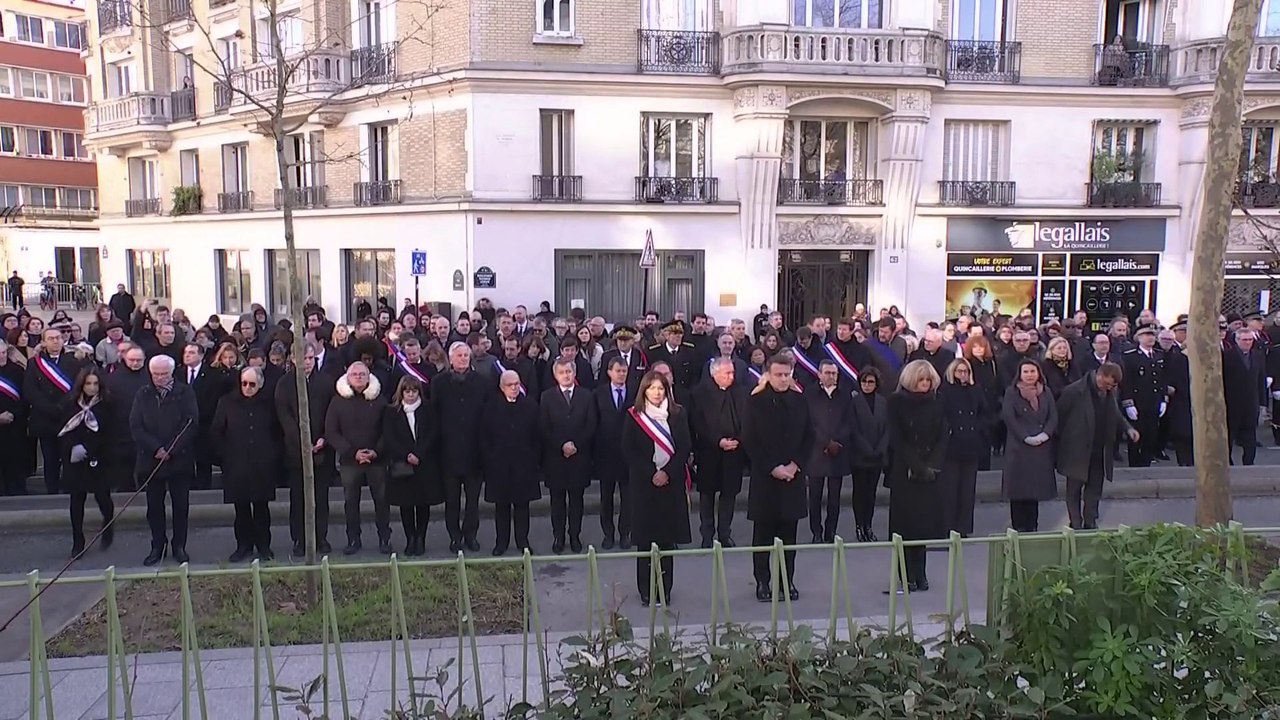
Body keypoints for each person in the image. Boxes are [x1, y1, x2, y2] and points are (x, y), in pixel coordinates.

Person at [743, 354, 813, 602]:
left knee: (789, 536)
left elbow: (809, 437)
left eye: (787, 374)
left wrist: (795, 465)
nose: (783, 379)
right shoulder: (755, 402)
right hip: (766, 478)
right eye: (779, 375)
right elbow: (750, 440)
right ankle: (763, 581)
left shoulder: (800, 401)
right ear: (769, 375)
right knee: (762, 535)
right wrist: (772, 467)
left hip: (792, 478)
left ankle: (787, 581)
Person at [621, 370, 692, 607]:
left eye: (660, 388)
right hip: (644, 486)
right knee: (645, 540)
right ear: (644, 390)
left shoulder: (678, 414)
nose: (656, 392)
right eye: (652, 388)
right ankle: (645, 589)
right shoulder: (634, 416)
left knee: (666, 540)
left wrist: (667, 472)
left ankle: (665, 588)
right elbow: (629, 449)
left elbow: (684, 447)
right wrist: (651, 473)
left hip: (670, 484)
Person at [131, 354, 199, 566]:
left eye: (164, 374)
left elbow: (191, 422)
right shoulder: (143, 394)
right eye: (156, 374)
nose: (159, 378)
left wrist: (171, 449)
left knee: (180, 507)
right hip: (151, 460)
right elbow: (136, 426)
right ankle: (157, 546)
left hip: (179, 459)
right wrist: (156, 448)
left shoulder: (185, 392)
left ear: (171, 373)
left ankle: (179, 546)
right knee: (154, 508)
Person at [886, 360, 947, 592]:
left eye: (928, 380)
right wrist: (917, 466)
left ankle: (920, 573)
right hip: (905, 471)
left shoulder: (938, 401)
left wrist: (933, 465)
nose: (924, 384)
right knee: (905, 526)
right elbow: (897, 439)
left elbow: (943, 434)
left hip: (930, 470)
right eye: (920, 380)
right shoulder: (896, 403)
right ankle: (905, 575)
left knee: (923, 525)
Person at [1055, 363, 1138, 530]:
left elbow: (1115, 413)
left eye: (1113, 386)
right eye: (1108, 384)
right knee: (1074, 489)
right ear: (1100, 375)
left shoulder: (1109, 392)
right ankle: (1075, 522)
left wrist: (1128, 428)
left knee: (1094, 488)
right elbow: (1060, 416)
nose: (1110, 388)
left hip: (1099, 448)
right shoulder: (1075, 391)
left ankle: (1090, 521)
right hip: (1077, 448)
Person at [210, 366, 280, 562]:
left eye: (252, 384)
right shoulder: (227, 402)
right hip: (236, 464)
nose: (247, 387)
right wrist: (225, 456)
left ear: (260, 385)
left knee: (261, 508)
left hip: (262, 464)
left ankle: (264, 547)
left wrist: (272, 454)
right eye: (244, 383)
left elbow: (277, 431)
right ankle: (243, 546)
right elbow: (216, 432)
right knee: (241, 510)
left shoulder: (268, 404)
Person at [275, 342, 336, 557]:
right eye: (303, 359)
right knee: (298, 497)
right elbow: (284, 417)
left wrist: (323, 439)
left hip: (322, 449)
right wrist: (302, 441)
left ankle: (321, 537)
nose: (307, 363)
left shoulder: (326, 382)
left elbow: (332, 413)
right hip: (296, 451)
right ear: (293, 359)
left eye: (310, 358)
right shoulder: (284, 384)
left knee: (321, 496)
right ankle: (299, 539)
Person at [326, 361, 392, 554]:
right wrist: (351, 452)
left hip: (377, 460)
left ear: (369, 375)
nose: (358, 377)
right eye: (354, 374)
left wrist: (376, 451)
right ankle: (353, 540)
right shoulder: (338, 401)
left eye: (362, 374)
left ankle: (384, 538)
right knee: (350, 502)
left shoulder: (380, 399)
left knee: (381, 500)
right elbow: (331, 432)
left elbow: (388, 429)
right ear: (347, 376)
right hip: (349, 461)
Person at [432, 342, 489, 552]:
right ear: (451, 358)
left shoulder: (482, 382)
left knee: (473, 501)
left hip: (475, 451)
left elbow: (487, 415)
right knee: (452, 500)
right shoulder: (439, 382)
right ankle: (454, 536)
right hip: (449, 451)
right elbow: (434, 415)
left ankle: (470, 535)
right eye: (459, 356)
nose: (463, 359)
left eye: (466, 355)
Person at [539, 357, 597, 554]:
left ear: (575, 373)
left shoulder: (586, 395)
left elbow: (591, 425)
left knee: (576, 501)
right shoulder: (547, 397)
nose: (566, 375)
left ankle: (574, 535)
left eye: (569, 371)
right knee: (557, 502)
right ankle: (558, 536)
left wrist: (576, 444)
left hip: (579, 457)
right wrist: (561, 445)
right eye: (562, 372)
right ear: (556, 375)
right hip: (555, 458)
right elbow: (544, 427)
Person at [689, 356, 748, 548]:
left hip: (734, 452)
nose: (732, 376)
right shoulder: (699, 394)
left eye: (732, 372)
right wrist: (718, 441)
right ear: (715, 373)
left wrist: (738, 439)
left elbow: (747, 419)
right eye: (727, 373)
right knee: (707, 494)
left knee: (729, 494)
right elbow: (698, 423)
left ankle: (725, 533)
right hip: (709, 452)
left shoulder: (741, 392)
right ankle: (707, 534)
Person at [482, 370, 542, 555]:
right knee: (501, 508)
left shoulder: (530, 405)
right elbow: (484, 437)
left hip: (524, 465)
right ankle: (501, 543)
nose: (515, 388)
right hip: (499, 465)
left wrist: (533, 458)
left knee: (522, 507)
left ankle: (522, 541)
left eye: (517, 384)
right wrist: (491, 458)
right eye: (510, 385)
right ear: (502, 387)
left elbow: (538, 435)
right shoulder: (491, 407)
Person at [382, 376, 442, 557]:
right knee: (406, 505)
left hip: (424, 463)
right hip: (402, 465)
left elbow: (433, 433)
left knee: (423, 504)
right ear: (401, 392)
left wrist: (418, 453)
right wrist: (406, 454)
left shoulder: (428, 409)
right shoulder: (391, 412)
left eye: (414, 391)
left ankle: (420, 539)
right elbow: (389, 437)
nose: (410, 395)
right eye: (407, 391)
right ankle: (410, 539)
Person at [59, 367, 115, 556]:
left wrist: (89, 449)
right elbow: (64, 429)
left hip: (98, 458)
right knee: (76, 501)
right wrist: (73, 446)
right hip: (75, 459)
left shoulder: (107, 404)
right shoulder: (70, 403)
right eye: (88, 384)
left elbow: (108, 433)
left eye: (95, 384)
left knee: (104, 500)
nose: (92, 388)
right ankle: (78, 541)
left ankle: (108, 527)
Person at [26, 326, 87, 494]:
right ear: (44, 342)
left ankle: (69, 489)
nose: (55, 341)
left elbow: (78, 387)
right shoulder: (34, 363)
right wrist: (49, 408)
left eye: (58, 338)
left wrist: (62, 407)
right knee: (50, 459)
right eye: (51, 338)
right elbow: (30, 390)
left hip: (67, 418)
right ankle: (51, 490)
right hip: (45, 419)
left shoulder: (73, 362)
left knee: (68, 458)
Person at [1001, 358, 1059, 532]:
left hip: (1040, 447)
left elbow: (1053, 416)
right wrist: (1025, 437)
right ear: (1020, 374)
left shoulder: (1046, 392)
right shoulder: (1012, 392)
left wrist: (1045, 434)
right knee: (1018, 491)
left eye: (1032, 371)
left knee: (1034, 490)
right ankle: (1018, 527)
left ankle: (1032, 527)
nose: (1029, 375)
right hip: (1019, 447)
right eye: (1025, 372)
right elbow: (1009, 417)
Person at [803, 359, 854, 543]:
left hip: (838, 452)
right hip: (817, 452)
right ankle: (816, 532)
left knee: (835, 497)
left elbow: (850, 421)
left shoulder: (845, 395)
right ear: (819, 374)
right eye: (827, 373)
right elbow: (808, 423)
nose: (831, 376)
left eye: (834, 373)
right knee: (815, 496)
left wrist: (837, 441)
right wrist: (825, 442)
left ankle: (831, 531)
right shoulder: (809, 394)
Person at [938, 358, 985, 537]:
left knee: (967, 490)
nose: (963, 375)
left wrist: (979, 429)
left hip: (971, 444)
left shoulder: (975, 390)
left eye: (965, 371)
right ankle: (948, 527)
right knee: (950, 490)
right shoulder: (945, 391)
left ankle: (964, 527)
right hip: (951, 446)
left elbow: (984, 412)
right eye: (959, 371)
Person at [592, 357, 633, 549]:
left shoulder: (634, 392)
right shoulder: (598, 394)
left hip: (628, 454)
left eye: (624, 371)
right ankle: (608, 533)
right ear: (609, 372)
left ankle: (625, 533)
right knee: (606, 498)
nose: (622, 374)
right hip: (606, 454)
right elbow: (594, 423)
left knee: (628, 498)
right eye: (618, 371)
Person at [848, 367, 888, 541]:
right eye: (864, 381)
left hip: (877, 456)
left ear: (876, 383)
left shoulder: (882, 402)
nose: (866, 385)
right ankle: (859, 526)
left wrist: (880, 448)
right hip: (860, 455)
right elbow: (853, 428)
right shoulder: (854, 402)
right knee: (860, 492)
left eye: (870, 381)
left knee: (871, 493)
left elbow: (888, 428)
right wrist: (866, 448)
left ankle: (868, 526)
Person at [1119, 326, 1166, 468]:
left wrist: (1163, 399)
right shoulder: (1130, 356)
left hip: (1154, 402)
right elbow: (1126, 381)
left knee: (1151, 435)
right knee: (1136, 436)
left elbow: (1163, 379)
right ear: (1139, 337)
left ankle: (1146, 462)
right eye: (1146, 335)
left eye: (1152, 335)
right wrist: (1128, 404)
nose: (1150, 338)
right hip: (1137, 403)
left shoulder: (1159, 355)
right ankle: (1135, 464)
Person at [0, 339, 28, 496]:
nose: (1, 357)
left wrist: (13, 414)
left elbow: (25, 397)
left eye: (3, 353)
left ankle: (17, 491)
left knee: (15, 461)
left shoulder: (17, 371)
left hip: (14, 425)